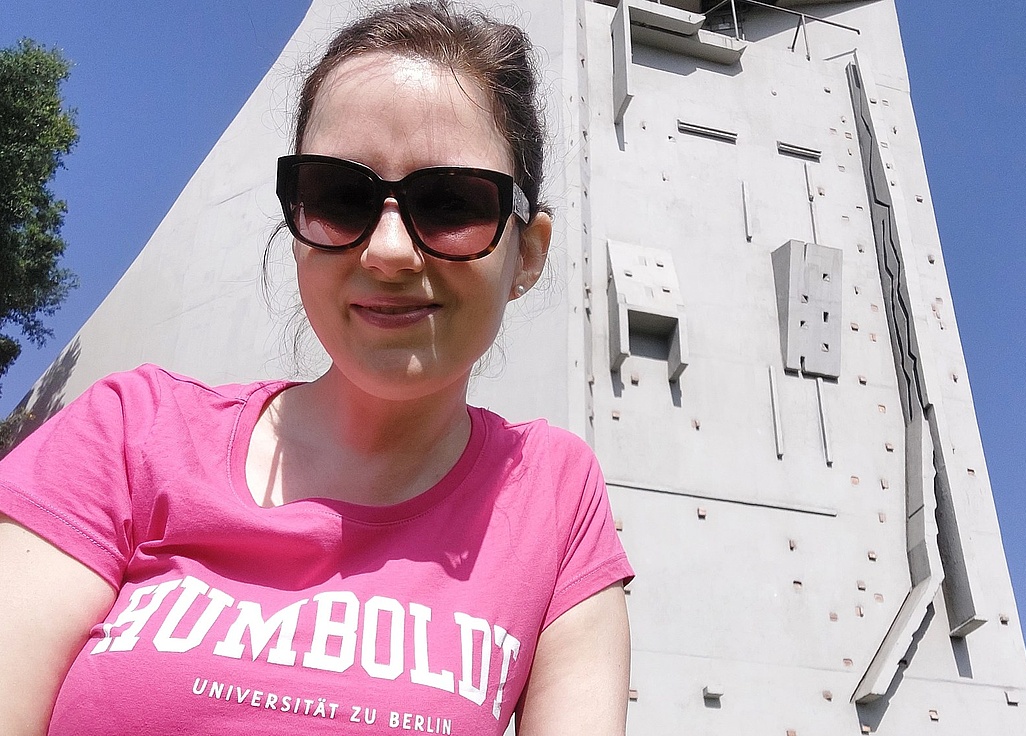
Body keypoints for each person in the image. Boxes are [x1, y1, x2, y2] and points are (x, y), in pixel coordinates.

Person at [0, 3, 633, 734]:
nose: (390, 251)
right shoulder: (126, 436)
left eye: (452, 202)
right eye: (338, 197)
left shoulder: (553, 498)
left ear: (527, 253)